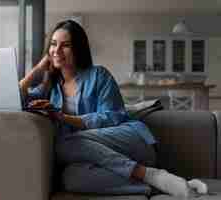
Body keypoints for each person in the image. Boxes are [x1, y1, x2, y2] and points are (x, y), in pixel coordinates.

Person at [19, 20, 207, 197]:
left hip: (130, 142)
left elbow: (112, 117)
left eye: (65, 45)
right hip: (92, 156)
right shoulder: (49, 88)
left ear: (79, 49)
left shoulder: (98, 75)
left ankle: (152, 174)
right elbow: (18, 99)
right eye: (53, 44)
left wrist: (62, 117)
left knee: (64, 143)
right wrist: (37, 69)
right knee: (71, 178)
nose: (57, 50)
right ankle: (156, 185)